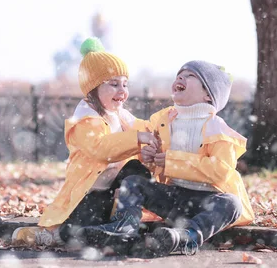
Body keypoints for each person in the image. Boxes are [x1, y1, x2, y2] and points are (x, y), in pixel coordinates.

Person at [78, 60, 255, 257]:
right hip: (175, 198)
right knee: (133, 182)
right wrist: (149, 158)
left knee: (232, 204)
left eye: (190, 76)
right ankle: (123, 228)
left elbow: (219, 171)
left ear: (208, 95)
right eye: (180, 74)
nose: (181, 77)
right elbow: (154, 159)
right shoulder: (163, 120)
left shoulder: (217, 128)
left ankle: (187, 236)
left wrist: (171, 161)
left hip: (207, 201)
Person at [11, 37, 157, 248]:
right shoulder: (85, 119)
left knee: (136, 170)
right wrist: (137, 138)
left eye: (125, 84)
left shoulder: (120, 114)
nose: (122, 91)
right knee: (80, 229)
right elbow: (101, 148)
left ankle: (125, 222)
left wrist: (162, 129)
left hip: (112, 188)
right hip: (90, 192)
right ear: (94, 88)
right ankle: (58, 235)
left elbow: (143, 127)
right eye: (114, 84)